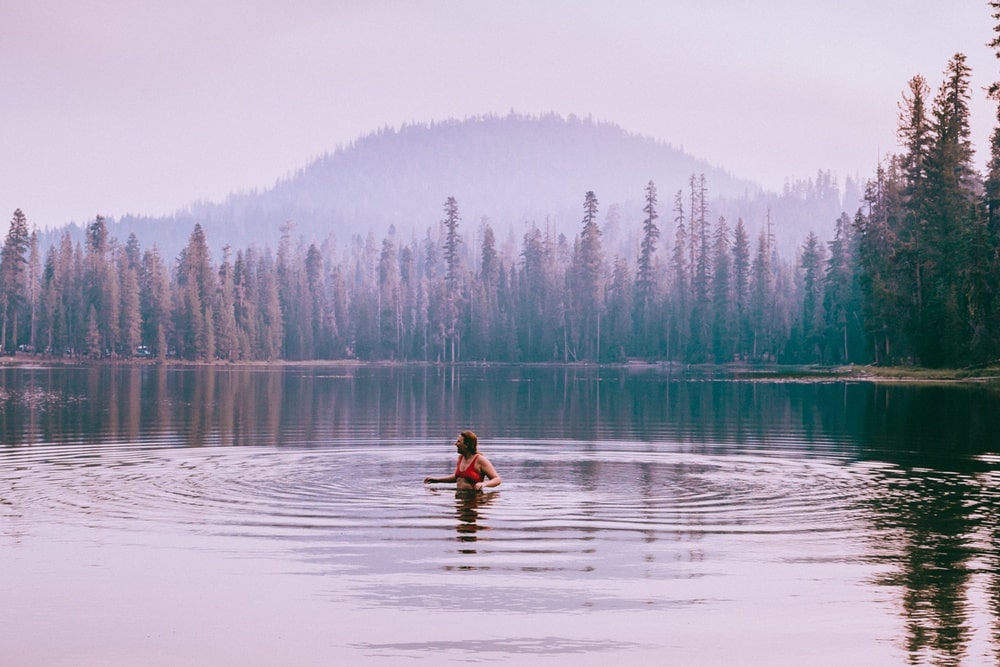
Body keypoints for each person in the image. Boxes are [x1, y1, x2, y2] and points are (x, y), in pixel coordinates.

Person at [424, 431, 501, 492]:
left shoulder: (480, 460)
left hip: (474, 500)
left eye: (459, 442)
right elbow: (459, 477)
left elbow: (497, 479)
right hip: (459, 499)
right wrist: (436, 480)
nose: (455, 444)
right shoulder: (461, 458)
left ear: (466, 445)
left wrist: (484, 484)